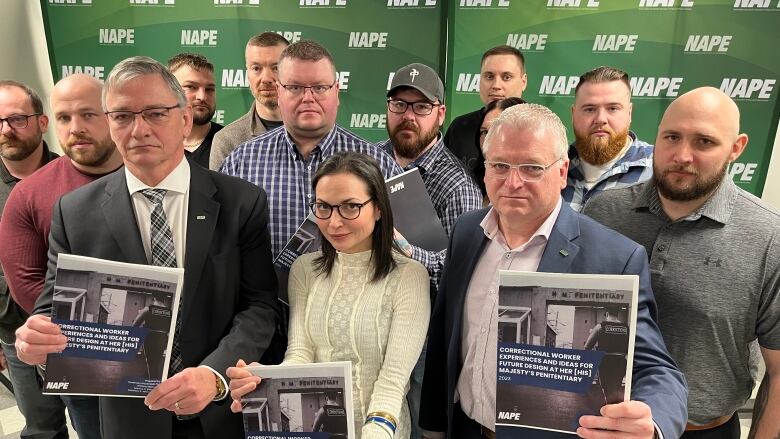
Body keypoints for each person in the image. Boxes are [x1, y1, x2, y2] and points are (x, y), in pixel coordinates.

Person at [13, 56, 279, 439]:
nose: (139, 129)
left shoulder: (241, 201)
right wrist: (36, 342)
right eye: (122, 116)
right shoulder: (75, 213)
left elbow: (259, 306)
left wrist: (214, 374)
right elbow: (53, 311)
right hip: (129, 418)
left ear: (185, 120)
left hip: (220, 413)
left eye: (155, 113)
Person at [419, 104, 687, 439]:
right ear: (484, 169)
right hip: (465, 428)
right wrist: (432, 428)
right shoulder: (467, 232)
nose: (512, 182)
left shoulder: (614, 258)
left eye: (532, 168)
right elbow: (446, 334)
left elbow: (656, 369)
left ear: (562, 172)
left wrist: (654, 424)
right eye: (500, 165)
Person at [583, 87, 780, 439]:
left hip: (703, 430)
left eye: (704, 142)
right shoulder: (603, 212)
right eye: (671, 137)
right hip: (598, 426)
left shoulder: (769, 238)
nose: (682, 155)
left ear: (737, 148)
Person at [227, 152, 429, 439]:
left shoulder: (409, 275)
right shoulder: (304, 270)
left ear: (379, 208)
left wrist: (377, 430)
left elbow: (394, 379)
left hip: (382, 430)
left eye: (350, 207)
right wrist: (268, 381)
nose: (334, 222)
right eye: (323, 207)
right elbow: (300, 354)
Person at [0, 74, 124, 439]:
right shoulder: (29, 195)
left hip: (155, 346)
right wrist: (92, 333)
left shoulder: (146, 176)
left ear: (112, 114)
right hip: (76, 354)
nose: (76, 128)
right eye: (65, 118)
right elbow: (28, 285)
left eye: (89, 114)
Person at [376, 62, 481, 439]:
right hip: (368, 325)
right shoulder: (367, 161)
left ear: (440, 113)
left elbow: (460, 276)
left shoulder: (458, 186)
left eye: (421, 107)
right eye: (399, 104)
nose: (408, 116)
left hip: (422, 341)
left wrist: (401, 249)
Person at [221, 39, 400, 258]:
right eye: (295, 87)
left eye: (320, 87)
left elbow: (413, 252)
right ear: (278, 91)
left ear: (336, 91)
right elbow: (221, 247)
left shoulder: (379, 164)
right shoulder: (240, 163)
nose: (308, 98)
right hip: (265, 292)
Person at [0, 79, 61, 439]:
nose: (6, 130)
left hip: (72, 334)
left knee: (95, 425)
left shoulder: (73, 177)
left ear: (42, 122)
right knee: (41, 429)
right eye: (0, 121)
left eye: (17, 119)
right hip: (13, 331)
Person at [563, 66, 653, 212]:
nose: (600, 119)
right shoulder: (552, 166)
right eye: (590, 109)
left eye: (612, 108)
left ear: (629, 113)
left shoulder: (658, 169)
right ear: (573, 114)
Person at [444, 45, 527, 196]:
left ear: (523, 81)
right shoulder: (460, 127)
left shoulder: (541, 128)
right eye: (489, 76)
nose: (496, 86)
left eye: (506, 77)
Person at [209, 32, 289, 170]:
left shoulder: (317, 134)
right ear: (247, 73)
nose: (266, 78)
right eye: (256, 68)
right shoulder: (227, 141)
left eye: (276, 68)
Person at [168, 53, 223, 168]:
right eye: (191, 87)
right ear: (169, 90)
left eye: (209, 89)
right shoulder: (153, 142)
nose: (202, 97)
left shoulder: (229, 143)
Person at [583, 305, 629, 405]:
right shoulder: (626, 328)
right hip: (621, 362)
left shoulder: (601, 326)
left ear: (607, 314)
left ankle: (611, 411)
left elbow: (587, 347)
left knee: (607, 389)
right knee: (616, 387)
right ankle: (615, 409)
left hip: (605, 362)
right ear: (617, 314)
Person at [132, 291, 173, 379]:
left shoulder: (148, 309)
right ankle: (147, 377)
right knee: (156, 362)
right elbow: (171, 328)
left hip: (150, 338)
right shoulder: (170, 312)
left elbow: (135, 324)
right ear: (164, 299)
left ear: (154, 298)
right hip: (163, 338)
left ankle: (152, 384)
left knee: (151, 363)